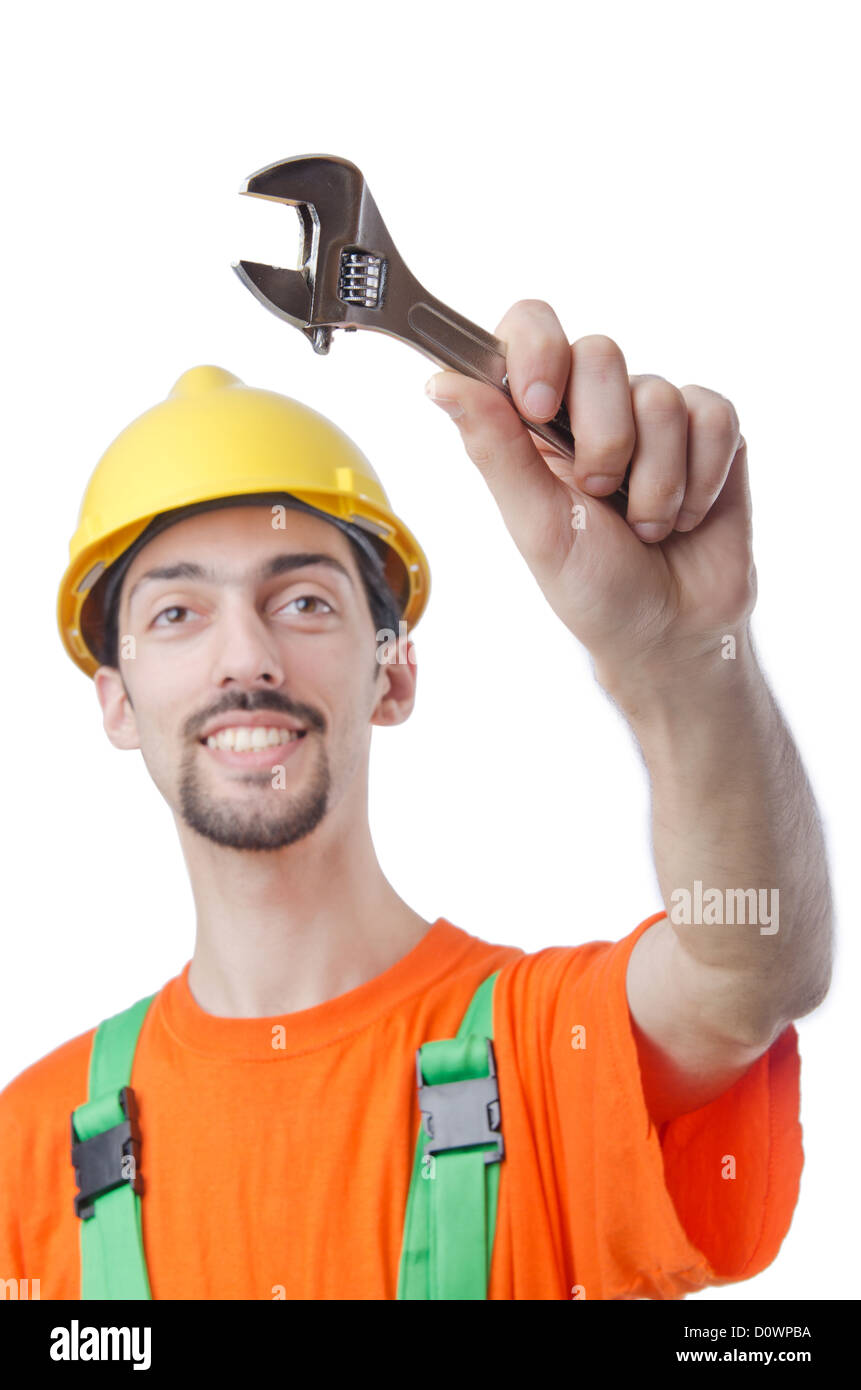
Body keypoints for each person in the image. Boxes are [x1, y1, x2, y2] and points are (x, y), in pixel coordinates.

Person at [0, 303, 832, 1300]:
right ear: (116, 700)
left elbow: (749, 972)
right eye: (177, 613)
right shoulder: (31, 1150)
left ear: (393, 673)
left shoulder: (543, 1050)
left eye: (303, 600)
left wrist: (683, 664)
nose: (247, 659)